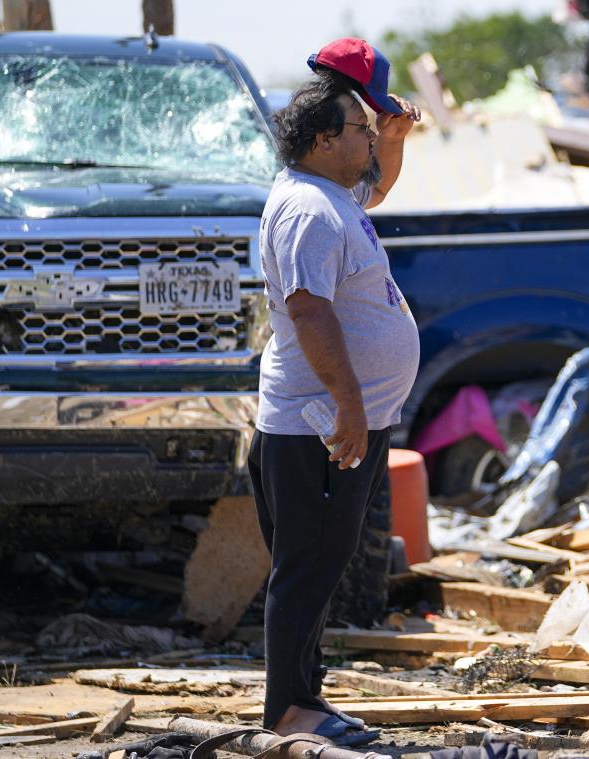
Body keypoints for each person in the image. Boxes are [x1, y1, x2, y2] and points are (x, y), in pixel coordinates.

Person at [247, 37, 421, 745]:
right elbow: (310, 309)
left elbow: (375, 188)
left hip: (336, 420)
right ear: (324, 140)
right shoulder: (309, 210)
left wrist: (394, 139)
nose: (370, 138)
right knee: (305, 570)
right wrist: (350, 404)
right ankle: (287, 711)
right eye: (360, 128)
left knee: (318, 568)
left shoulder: (329, 195)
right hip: (317, 423)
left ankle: (305, 699)